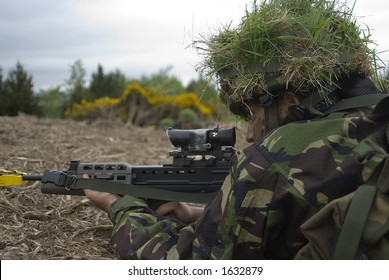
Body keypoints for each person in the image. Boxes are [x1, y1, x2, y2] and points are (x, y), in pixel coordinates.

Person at [84, 0, 389, 259]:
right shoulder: (377, 121)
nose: (251, 134)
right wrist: (199, 216)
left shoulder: (275, 160)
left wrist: (120, 206)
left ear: (290, 102)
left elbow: (184, 264)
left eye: (255, 115)